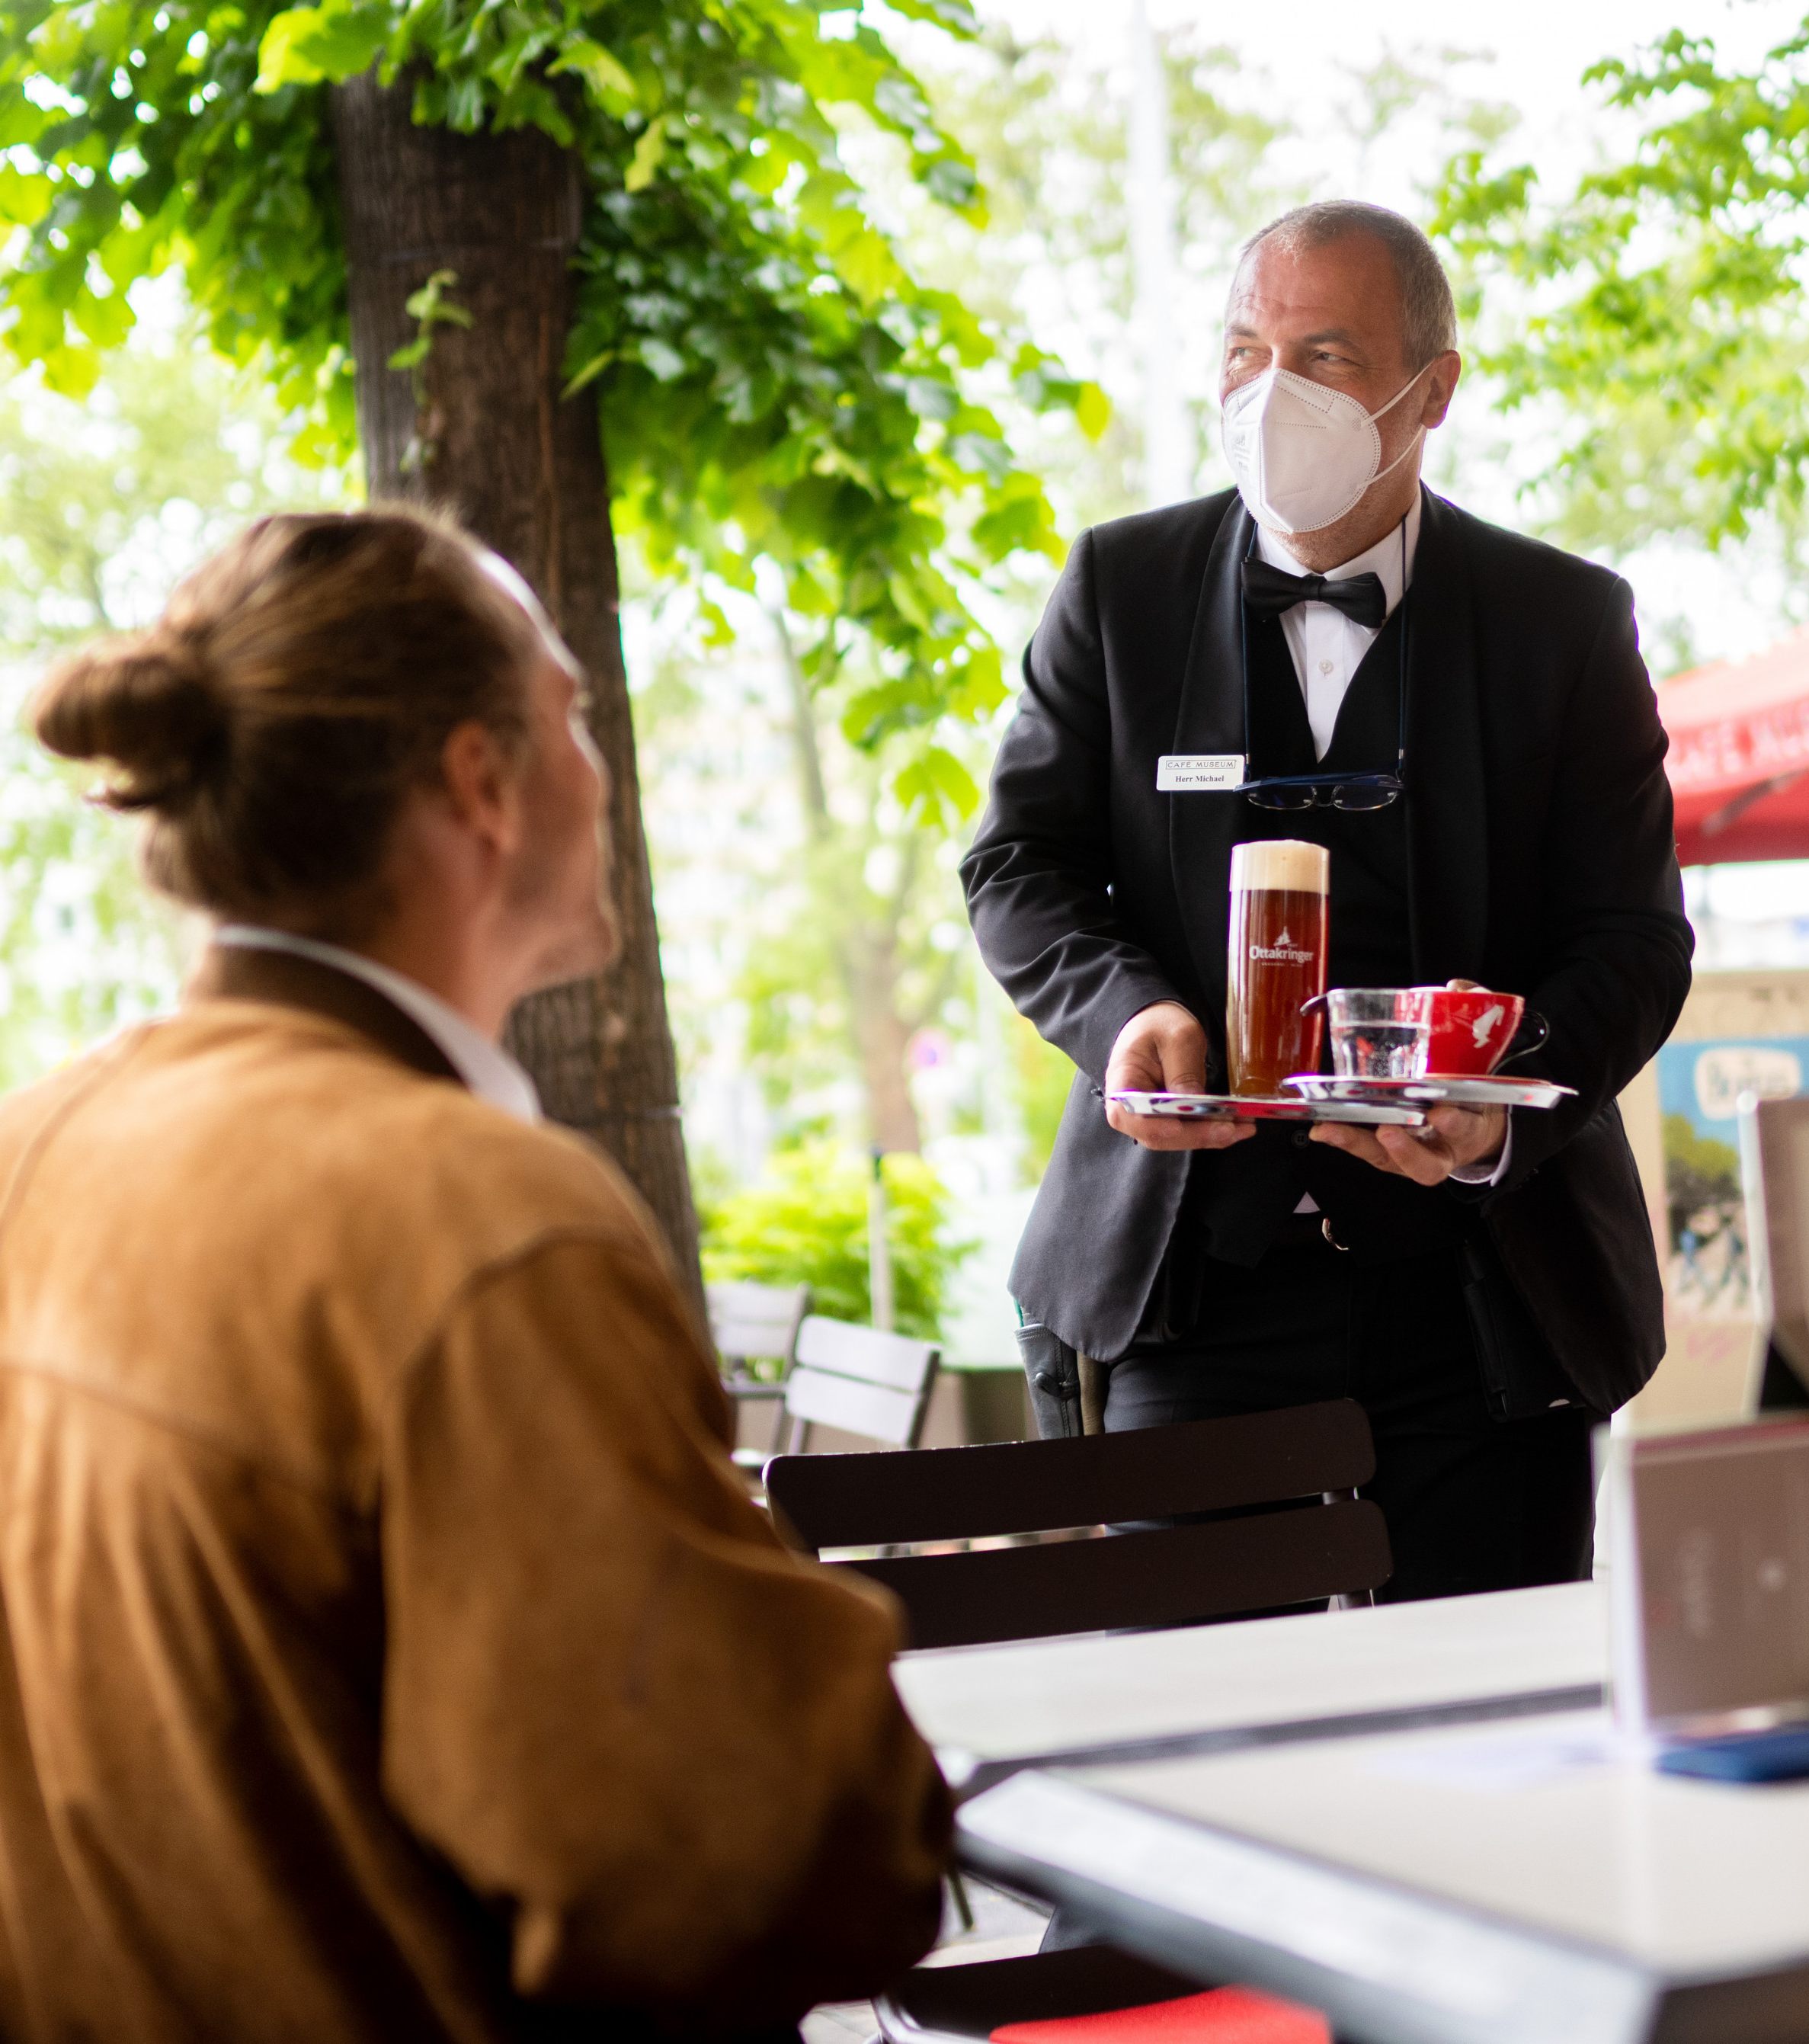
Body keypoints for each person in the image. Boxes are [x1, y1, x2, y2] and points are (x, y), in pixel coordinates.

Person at [0, 511, 949, 2039]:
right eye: (570, 713)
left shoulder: (31, 1149)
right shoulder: (476, 1222)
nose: (602, 766)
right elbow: (751, 1867)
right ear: (480, 784)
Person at [962, 201, 1692, 1601]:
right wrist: (1126, 1016)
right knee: (1194, 1703)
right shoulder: (1119, 589)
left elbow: (1636, 939)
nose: (1271, 391)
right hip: (1195, 1284)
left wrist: (1500, 1101)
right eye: (1246, 350)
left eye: (1327, 357)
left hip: (1485, 1299)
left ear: (1434, 391)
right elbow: (1017, 865)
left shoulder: (1563, 622)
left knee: (1493, 1715)